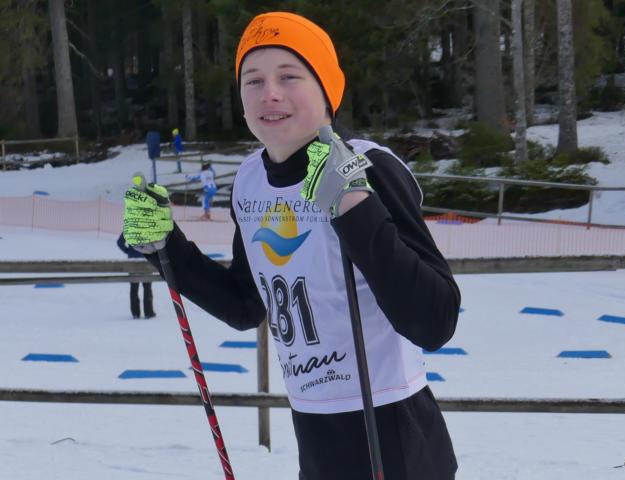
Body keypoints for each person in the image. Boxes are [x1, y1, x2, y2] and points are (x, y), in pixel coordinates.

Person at [123, 11, 460, 479]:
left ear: (326, 88)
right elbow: (245, 304)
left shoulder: (369, 166)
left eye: (289, 76)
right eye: (253, 80)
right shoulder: (249, 181)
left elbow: (435, 320)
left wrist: (354, 208)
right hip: (316, 440)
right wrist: (166, 248)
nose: (270, 93)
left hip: (397, 439)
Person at [116, 232, 156, 319]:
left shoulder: (129, 227)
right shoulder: (148, 227)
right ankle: (149, 312)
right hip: (146, 261)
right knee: (147, 287)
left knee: (134, 287)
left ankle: (135, 313)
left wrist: (128, 251)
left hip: (132, 262)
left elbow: (119, 243)